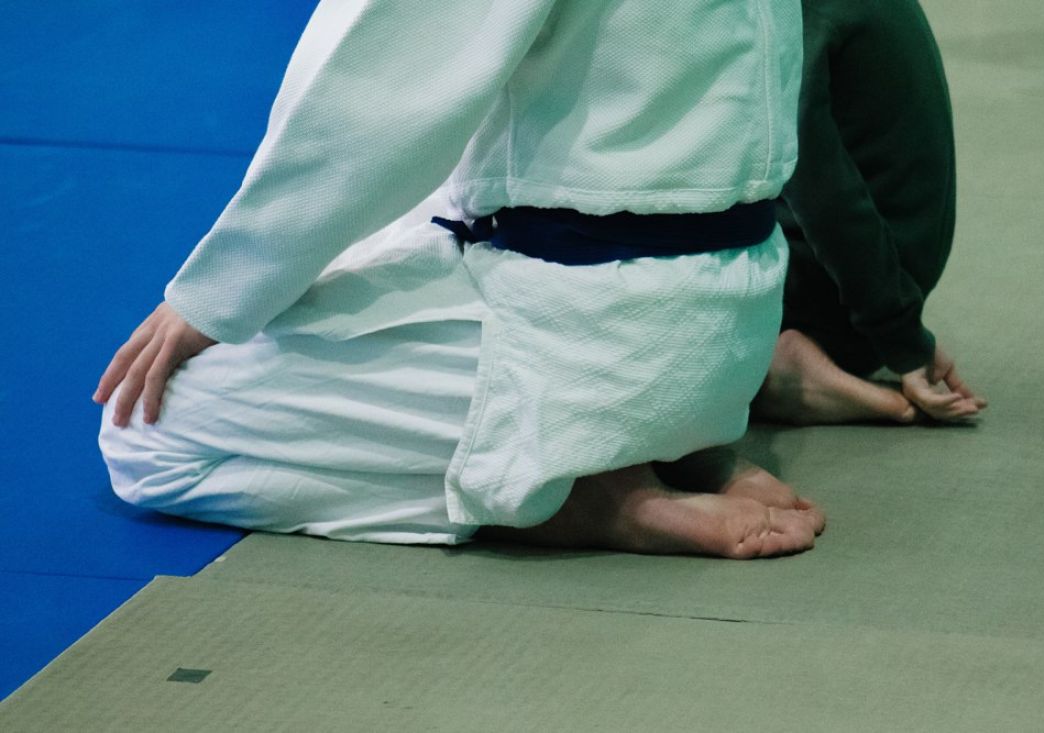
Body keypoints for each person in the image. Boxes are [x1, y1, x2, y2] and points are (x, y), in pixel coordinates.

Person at [95, 0, 825, 559]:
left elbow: (379, 107)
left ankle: (566, 494)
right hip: (733, 309)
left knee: (150, 438)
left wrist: (218, 295)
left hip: (597, 324)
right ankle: (676, 440)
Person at [752, 0, 987, 426]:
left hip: (841, 295)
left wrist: (898, 333)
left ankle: (778, 370)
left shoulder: (796, 14)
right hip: (884, 280)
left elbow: (820, 187)